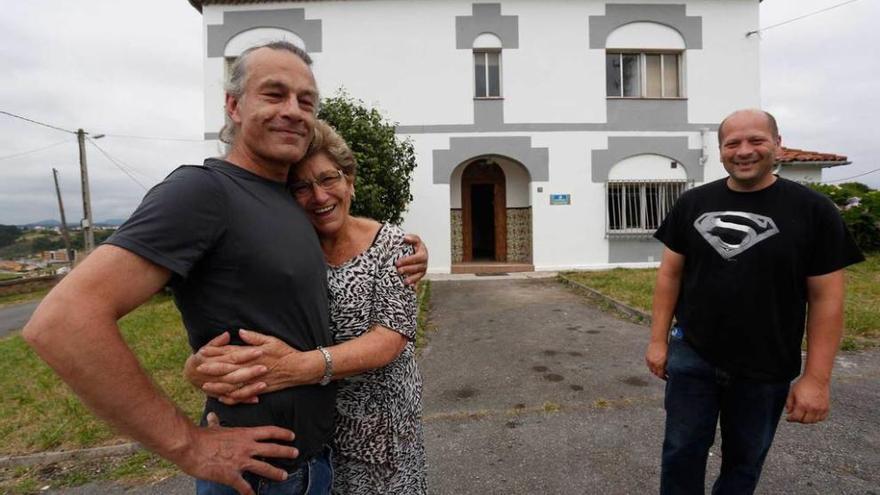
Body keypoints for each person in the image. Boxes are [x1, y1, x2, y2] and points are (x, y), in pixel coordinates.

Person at [22, 41, 426, 495]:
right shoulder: (203, 192)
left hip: (321, 464)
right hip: (262, 478)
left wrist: (407, 248)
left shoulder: (288, 199)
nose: (293, 110)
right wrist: (189, 446)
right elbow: (63, 321)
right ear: (234, 105)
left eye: (306, 101)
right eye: (274, 94)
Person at [184, 120, 427, 494]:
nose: (318, 196)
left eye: (329, 179)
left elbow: (389, 341)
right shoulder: (290, 251)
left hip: (382, 428)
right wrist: (201, 368)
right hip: (316, 432)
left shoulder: (393, 246)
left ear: (350, 182)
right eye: (301, 186)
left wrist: (298, 368)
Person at [645, 109, 864, 495]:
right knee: (681, 452)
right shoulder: (693, 203)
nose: (744, 151)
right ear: (721, 151)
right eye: (733, 143)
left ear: (777, 145)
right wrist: (658, 340)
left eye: (756, 140)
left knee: (745, 461)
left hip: (767, 365)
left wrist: (816, 379)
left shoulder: (814, 211)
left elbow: (827, 298)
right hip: (694, 355)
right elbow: (670, 275)